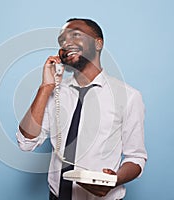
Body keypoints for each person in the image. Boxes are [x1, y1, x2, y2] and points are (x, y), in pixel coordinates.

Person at [16, 18, 147, 200]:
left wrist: (114, 180)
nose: (66, 42)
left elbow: (136, 158)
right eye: (62, 41)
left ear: (98, 43)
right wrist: (46, 86)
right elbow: (26, 142)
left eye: (76, 34)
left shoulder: (129, 96)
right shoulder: (55, 93)